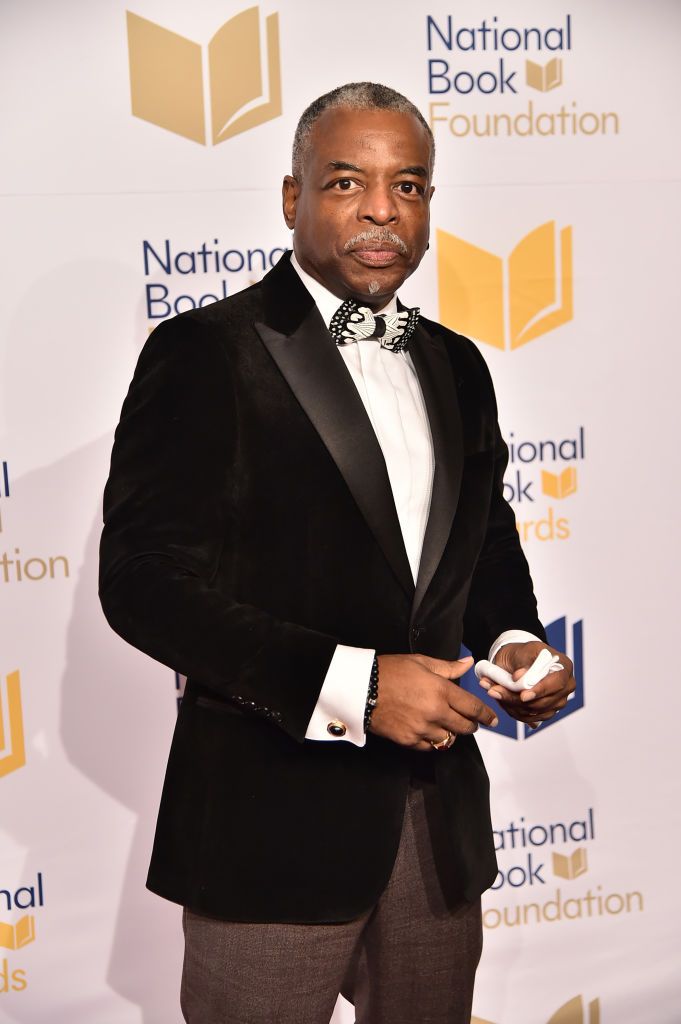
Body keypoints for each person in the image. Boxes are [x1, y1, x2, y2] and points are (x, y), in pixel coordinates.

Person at [99, 82, 575, 1024]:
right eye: (347, 182)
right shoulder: (206, 351)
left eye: (409, 186)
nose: (380, 212)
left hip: (435, 825)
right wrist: (352, 684)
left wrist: (516, 639)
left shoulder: (456, 362)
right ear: (292, 199)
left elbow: (482, 551)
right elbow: (143, 584)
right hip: (268, 825)